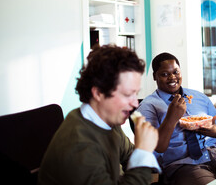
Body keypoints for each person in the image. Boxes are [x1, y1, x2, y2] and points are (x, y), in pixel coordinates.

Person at [38, 45, 160, 185]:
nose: (135, 103)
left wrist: (143, 150)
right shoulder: (79, 147)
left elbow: (128, 154)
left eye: (136, 93)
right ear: (98, 93)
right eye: (127, 94)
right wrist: (143, 153)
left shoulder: (108, 120)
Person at [136, 52, 216, 185]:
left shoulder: (198, 96)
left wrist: (214, 131)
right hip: (185, 164)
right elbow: (155, 148)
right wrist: (171, 118)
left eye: (176, 72)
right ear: (155, 76)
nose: (172, 77)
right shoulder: (148, 107)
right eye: (165, 74)